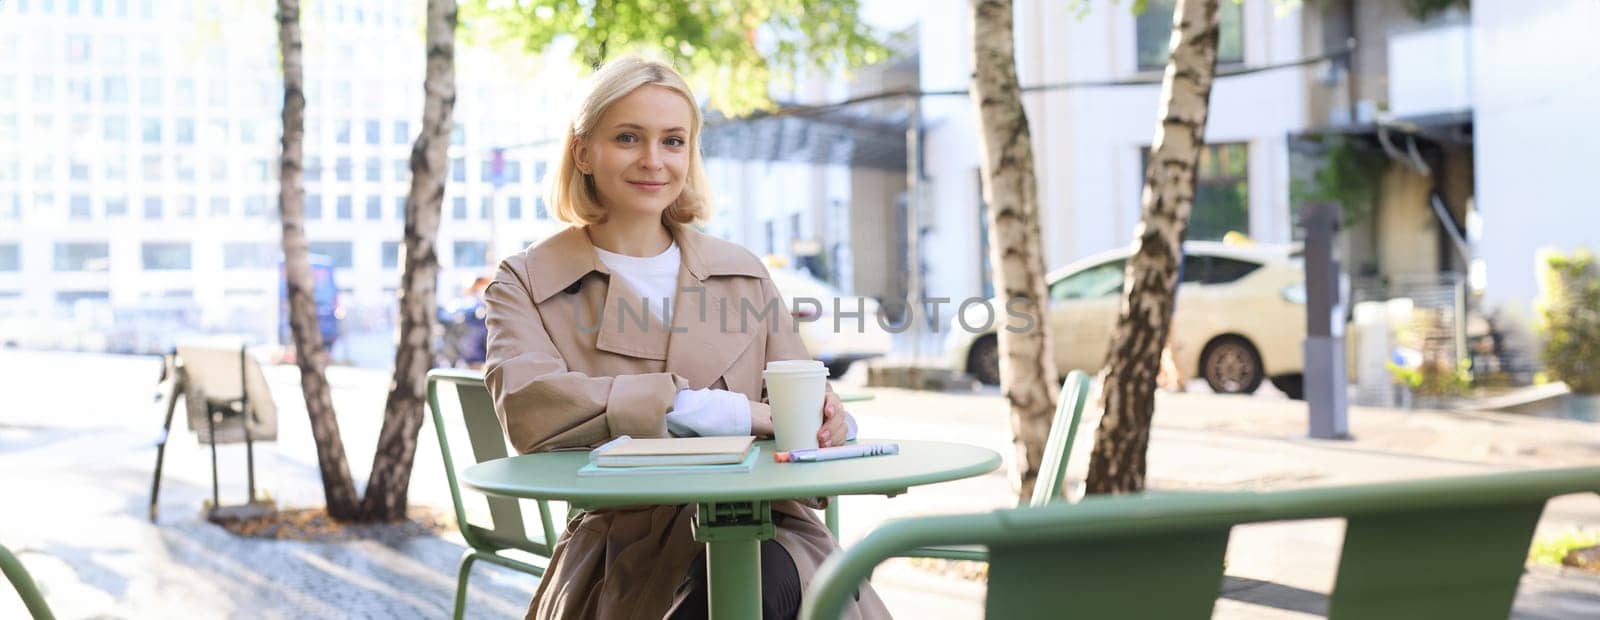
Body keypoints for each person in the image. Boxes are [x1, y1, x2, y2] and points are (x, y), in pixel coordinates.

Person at [482, 56, 891, 620]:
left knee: (765, 578)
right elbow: (533, 408)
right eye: (628, 137)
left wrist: (828, 419)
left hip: (772, 532)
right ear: (583, 151)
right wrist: (719, 409)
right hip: (619, 554)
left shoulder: (742, 271)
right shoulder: (526, 281)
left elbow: (795, 415)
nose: (653, 160)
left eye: (673, 141)